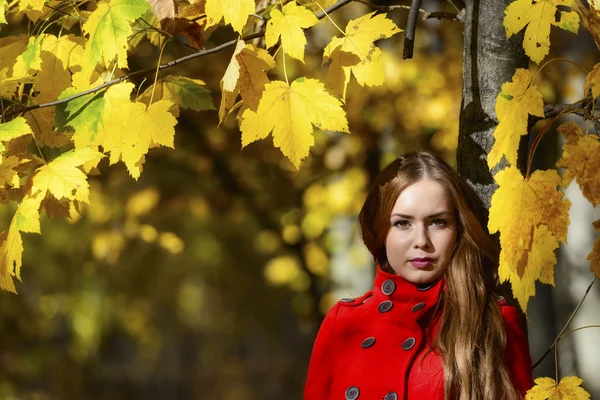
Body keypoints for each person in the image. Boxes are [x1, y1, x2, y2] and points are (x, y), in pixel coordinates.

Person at [303, 150, 533, 400]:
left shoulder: (492, 321)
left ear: (458, 230)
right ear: (381, 231)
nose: (421, 241)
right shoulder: (344, 323)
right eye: (403, 223)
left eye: (438, 222)